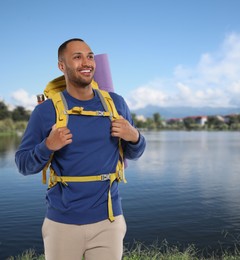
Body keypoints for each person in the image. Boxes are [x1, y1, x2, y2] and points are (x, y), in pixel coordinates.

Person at [15, 38, 146, 260]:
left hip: (110, 221)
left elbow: (133, 153)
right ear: (62, 66)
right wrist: (47, 146)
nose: (86, 62)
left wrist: (134, 137)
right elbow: (23, 165)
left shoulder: (117, 104)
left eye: (90, 56)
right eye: (77, 57)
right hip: (61, 223)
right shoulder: (45, 112)